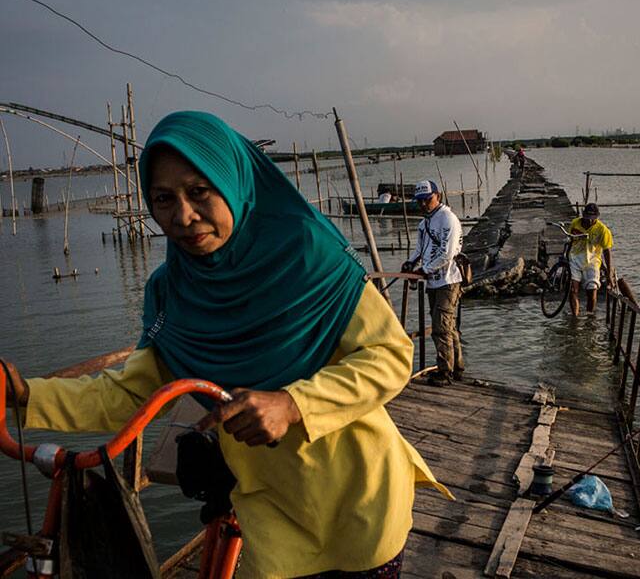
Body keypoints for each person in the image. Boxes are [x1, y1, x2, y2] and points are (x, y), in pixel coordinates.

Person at [2, 111, 451, 578]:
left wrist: (294, 404)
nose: (183, 216)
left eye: (199, 191)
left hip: (359, 503)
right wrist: (26, 396)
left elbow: (390, 355)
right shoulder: (170, 293)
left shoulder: (305, 254)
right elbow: (130, 395)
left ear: (233, 181)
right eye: (163, 199)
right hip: (270, 513)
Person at [401, 180, 464, 387]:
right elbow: (420, 250)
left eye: (427, 200)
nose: (423, 205)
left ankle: (445, 371)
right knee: (447, 326)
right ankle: (457, 367)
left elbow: (447, 253)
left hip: (448, 280)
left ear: (437, 196)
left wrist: (424, 269)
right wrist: (411, 263)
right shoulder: (424, 223)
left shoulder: (448, 218)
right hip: (433, 283)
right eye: (420, 201)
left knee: (441, 327)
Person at [568, 202, 614, 317]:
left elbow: (607, 251)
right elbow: (570, 240)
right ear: (583, 215)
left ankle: (589, 316)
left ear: (597, 217)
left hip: (592, 261)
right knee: (573, 290)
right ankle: (575, 317)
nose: (589, 221)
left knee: (592, 292)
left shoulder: (602, 230)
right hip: (575, 258)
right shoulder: (575, 223)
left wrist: (609, 272)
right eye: (587, 218)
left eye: (592, 219)